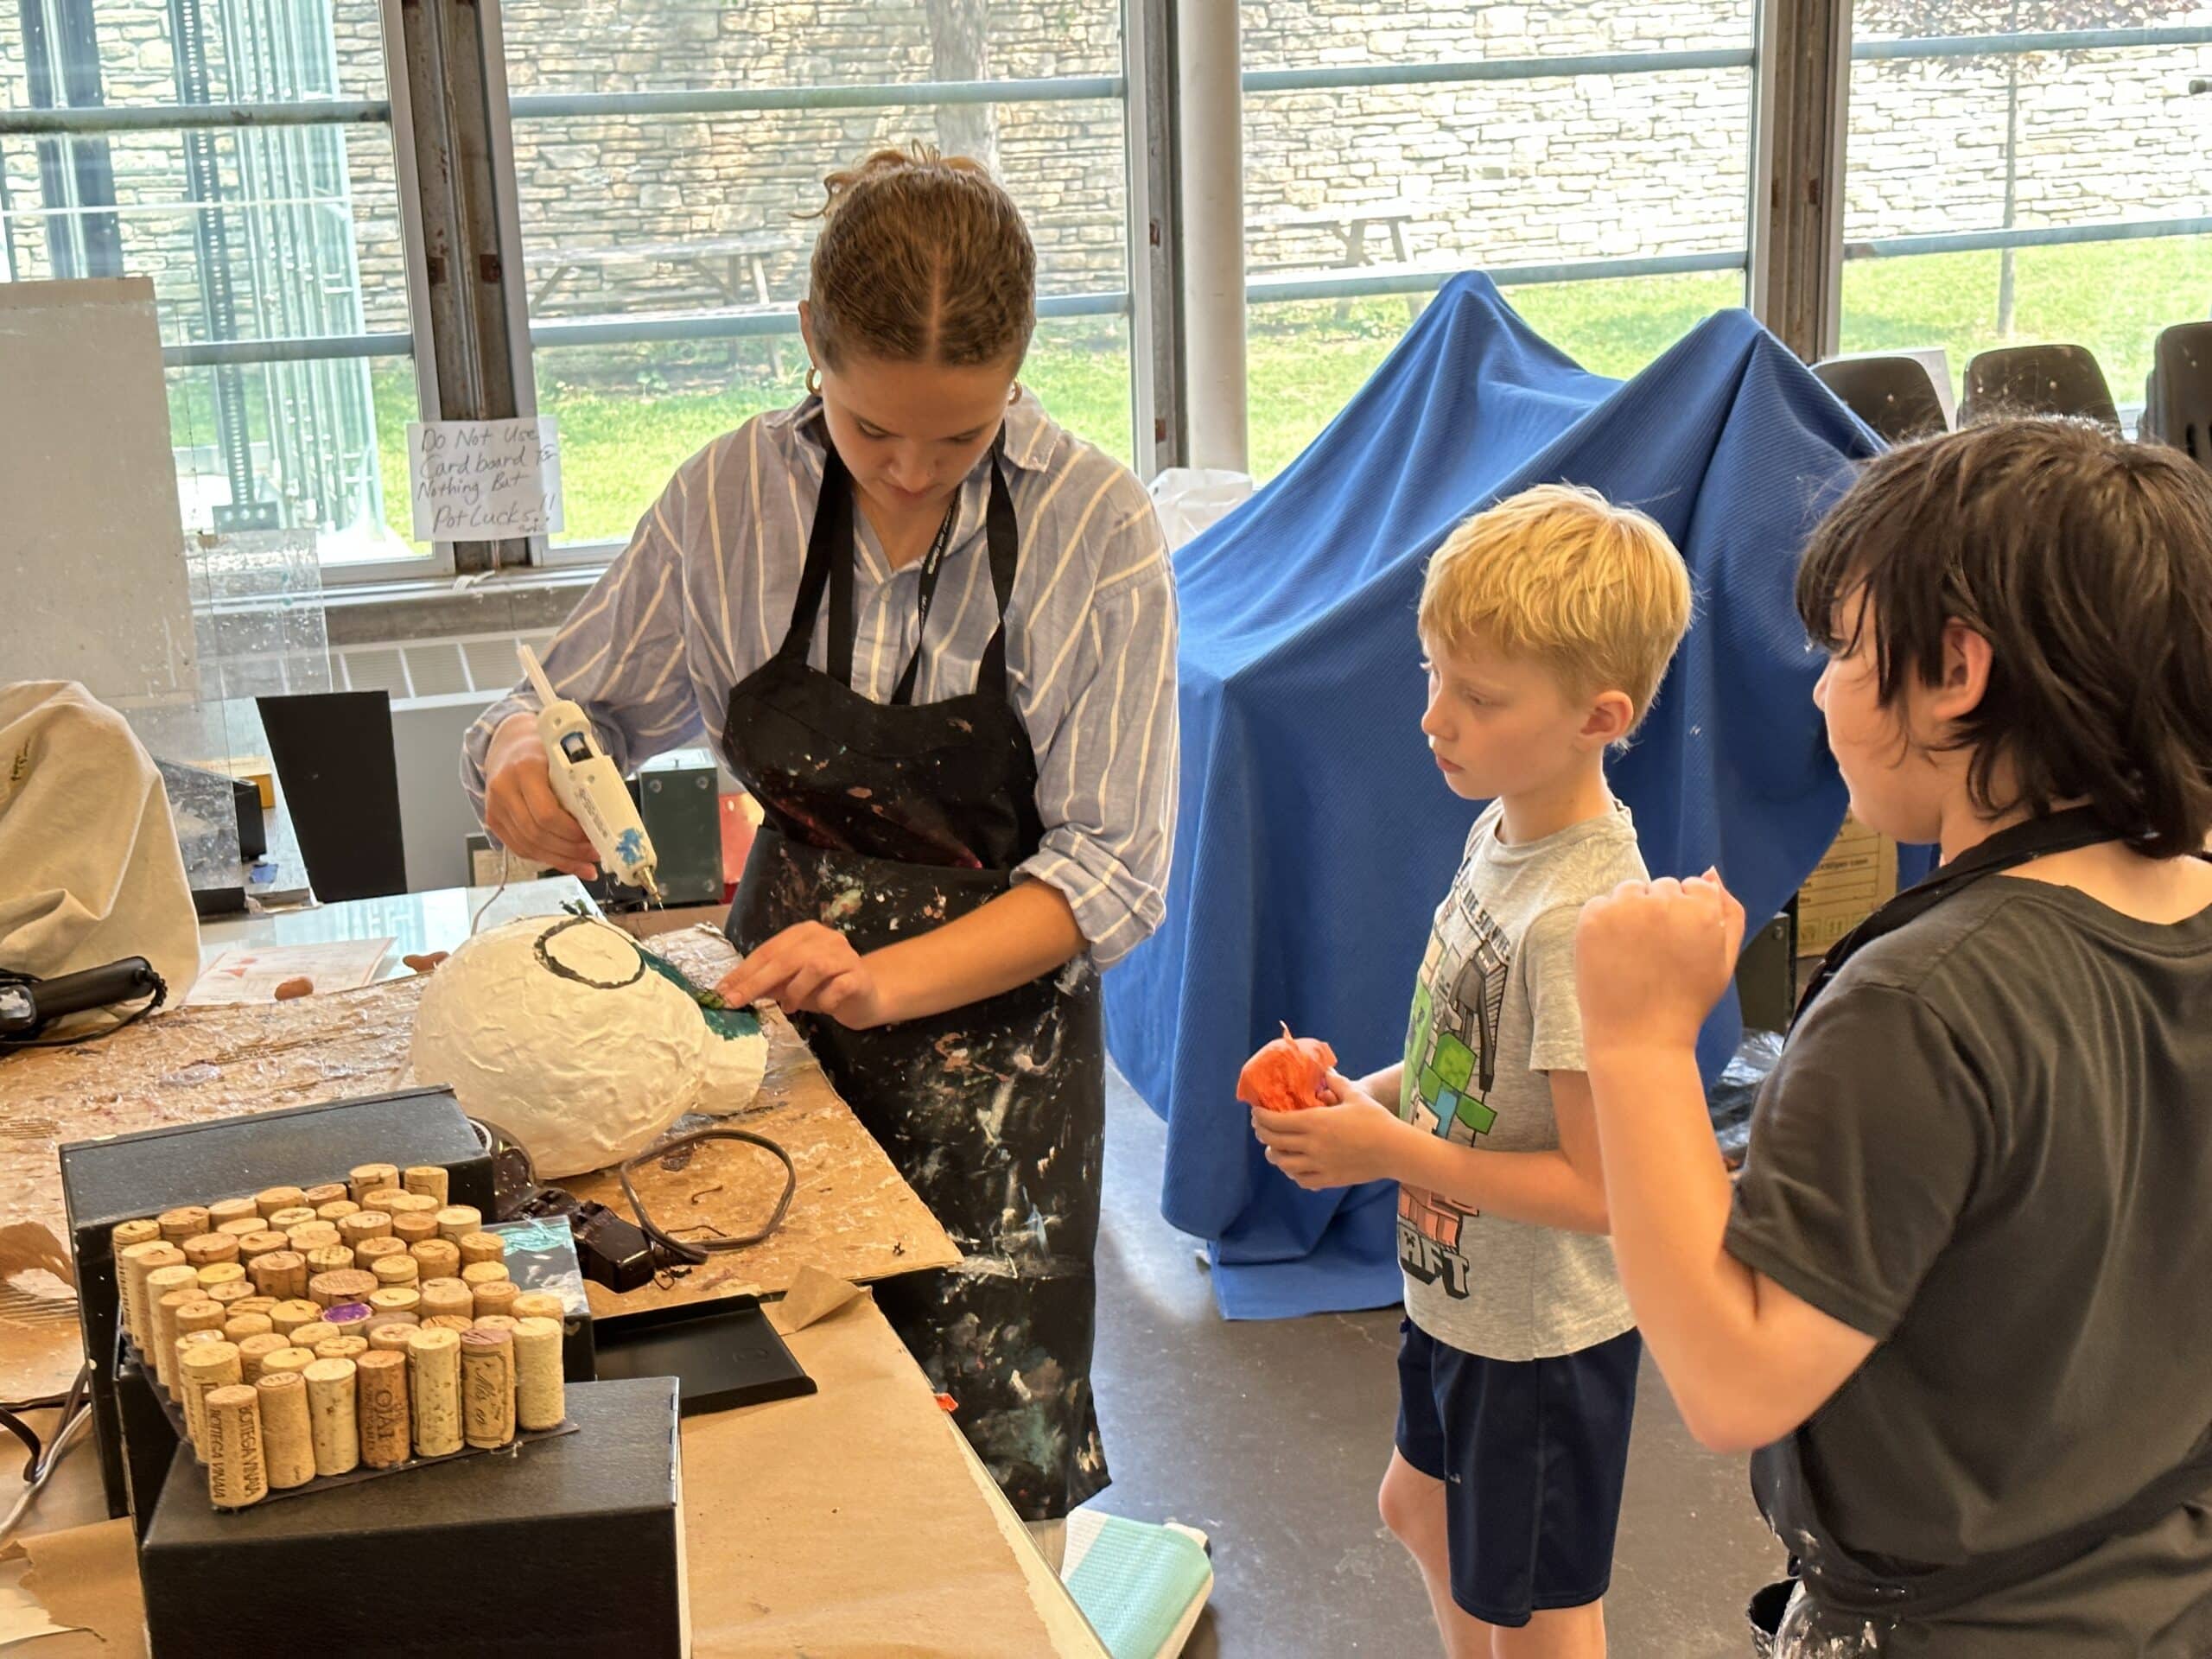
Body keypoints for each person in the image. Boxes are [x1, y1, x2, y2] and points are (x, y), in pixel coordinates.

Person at [461, 148, 1179, 1522]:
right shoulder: (729, 499)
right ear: (810, 344)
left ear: (1021, 367)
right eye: (869, 430)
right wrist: (522, 764)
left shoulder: (1095, 529)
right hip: (770, 1042)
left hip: (1002, 1076)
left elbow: (1113, 870)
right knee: (778, 1448)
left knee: (986, 1476)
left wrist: (883, 978)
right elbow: (562, 705)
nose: (910, 473)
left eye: (960, 439)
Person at [1573, 419, 2212, 1656]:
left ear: (1956, 669)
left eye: (1848, 651)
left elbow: (1735, 1383)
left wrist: (1641, 1043)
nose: (1823, 688)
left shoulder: (1919, 1003)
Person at [1248, 486, 1692, 1658]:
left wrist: (1385, 1150)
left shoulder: (1581, 914)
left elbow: (1600, 1190)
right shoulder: (1499, 833)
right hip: (1460, 1297)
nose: (1436, 718)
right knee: (1416, 1508)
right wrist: (1365, 1100)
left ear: (1601, 716)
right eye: (1434, 675)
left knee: (1539, 1617)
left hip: (1539, 1340)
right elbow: (1469, 1060)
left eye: (1481, 698)